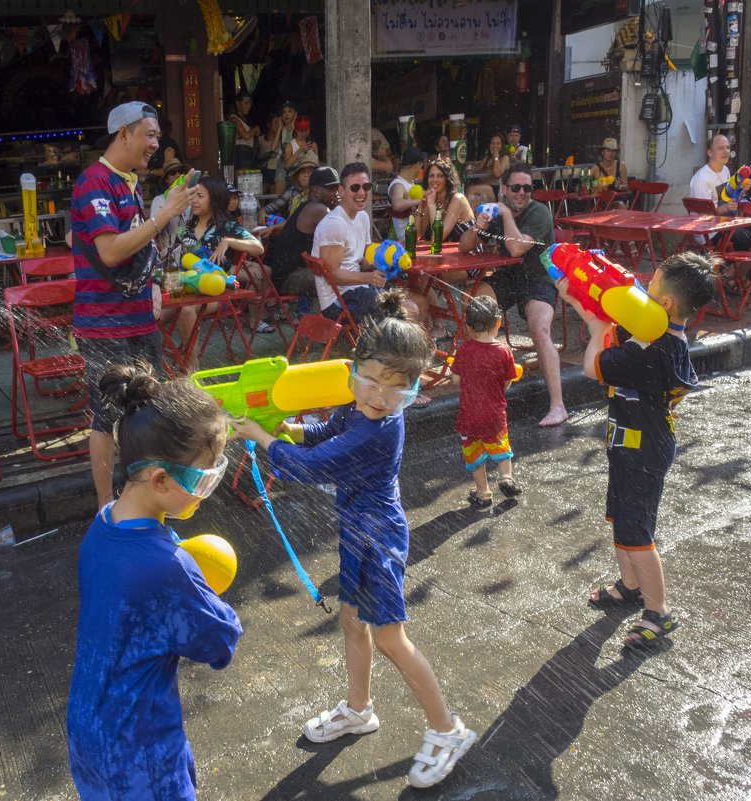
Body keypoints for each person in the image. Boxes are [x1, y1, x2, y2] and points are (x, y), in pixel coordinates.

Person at [231, 289, 476, 789]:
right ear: (354, 371)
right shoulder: (357, 409)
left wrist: (263, 437)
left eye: (395, 389)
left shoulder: (378, 430)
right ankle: (360, 709)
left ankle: (447, 729)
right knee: (350, 619)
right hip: (358, 530)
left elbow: (313, 466)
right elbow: (322, 434)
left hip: (380, 537)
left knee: (390, 636)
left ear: (410, 393)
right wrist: (283, 426)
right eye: (369, 380)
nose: (378, 395)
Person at [67, 360, 242, 801]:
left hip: (91, 729)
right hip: (141, 753)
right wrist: (201, 585)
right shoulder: (170, 568)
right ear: (161, 478)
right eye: (206, 474)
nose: (210, 485)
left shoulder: (105, 523)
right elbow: (220, 642)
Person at [557, 251, 717, 646]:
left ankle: (658, 612)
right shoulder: (657, 334)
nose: (640, 292)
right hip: (629, 441)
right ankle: (630, 587)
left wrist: (595, 329)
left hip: (644, 448)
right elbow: (613, 317)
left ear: (665, 304)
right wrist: (579, 298)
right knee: (621, 519)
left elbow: (593, 368)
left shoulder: (652, 351)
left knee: (637, 531)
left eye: (649, 287)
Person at [71, 101, 195, 509]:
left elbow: (139, 249)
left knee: (149, 409)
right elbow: (109, 251)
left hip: (139, 317)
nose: (156, 145)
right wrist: (166, 214)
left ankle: (143, 496)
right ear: (123, 133)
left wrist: (154, 284)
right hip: (104, 324)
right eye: (150, 134)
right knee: (107, 418)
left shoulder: (129, 183)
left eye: (158, 136)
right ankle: (108, 505)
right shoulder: (94, 182)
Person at [459, 164, 568, 427]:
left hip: (538, 276)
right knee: (471, 303)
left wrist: (506, 214)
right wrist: (478, 226)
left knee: (539, 330)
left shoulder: (539, 212)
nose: (522, 193)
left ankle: (558, 406)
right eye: (516, 188)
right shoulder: (495, 212)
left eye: (527, 188)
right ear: (504, 189)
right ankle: (483, 378)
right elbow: (464, 247)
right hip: (508, 276)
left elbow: (517, 248)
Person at [311, 162, 427, 328]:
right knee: (410, 310)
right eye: (355, 187)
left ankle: (408, 350)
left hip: (359, 287)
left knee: (420, 303)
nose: (361, 192)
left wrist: (388, 255)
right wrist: (369, 277)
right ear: (341, 191)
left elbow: (366, 260)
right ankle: (393, 351)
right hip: (338, 301)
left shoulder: (362, 216)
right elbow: (332, 276)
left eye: (366, 186)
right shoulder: (334, 224)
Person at [449, 295, 521, 508]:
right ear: (498, 323)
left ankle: (483, 492)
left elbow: (456, 380)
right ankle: (506, 477)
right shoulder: (504, 352)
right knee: (501, 445)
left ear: (468, 327)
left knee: (474, 453)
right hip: (495, 415)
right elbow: (507, 383)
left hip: (469, 417)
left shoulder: (463, 351)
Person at [177, 175, 266, 332]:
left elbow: (258, 247)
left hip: (216, 291)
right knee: (156, 309)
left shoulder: (228, 227)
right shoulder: (185, 229)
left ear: (214, 199)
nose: (194, 201)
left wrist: (229, 241)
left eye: (200, 196)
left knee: (187, 309)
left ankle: (190, 357)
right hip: (186, 286)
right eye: (193, 196)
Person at [689, 133, 751, 291]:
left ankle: (734, 275)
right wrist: (726, 208)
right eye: (720, 148)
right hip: (711, 232)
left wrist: (742, 190)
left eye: (728, 147)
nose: (725, 151)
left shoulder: (725, 171)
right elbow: (704, 216)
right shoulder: (702, 179)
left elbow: (731, 199)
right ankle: (735, 276)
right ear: (709, 152)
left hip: (727, 225)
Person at [263, 166, 340, 311]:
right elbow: (343, 231)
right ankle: (326, 324)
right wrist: (341, 207)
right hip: (288, 278)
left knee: (336, 275)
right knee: (336, 280)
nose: (336, 194)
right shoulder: (319, 209)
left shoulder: (313, 206)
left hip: (289, 273)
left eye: (337, 188)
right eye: (331, 189)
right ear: (316, 191)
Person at [260, 150, 318, 230]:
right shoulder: (293, 192)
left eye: (310, 171)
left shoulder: (321, 195)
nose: (306, 174)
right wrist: (262, 211)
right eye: (303, 172)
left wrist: (274, 228)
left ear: (317, 175)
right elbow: (275, 205)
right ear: (298, 177)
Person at [387, 147, 427, 240]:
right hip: (406, 239)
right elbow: (397, 205)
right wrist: (419, 201)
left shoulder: (410, 183)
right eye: (421, 164)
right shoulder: (398, 185)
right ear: (417, 164)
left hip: (416, 233)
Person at [270, 100, 298, 195]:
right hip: (282, 165)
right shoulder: (282, 130)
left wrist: (294, 124)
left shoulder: (299, 130)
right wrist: (279, 129)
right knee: (278, 197)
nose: (286, 114)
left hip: (295, 164)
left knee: (295, 196)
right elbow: (273, 148)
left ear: (295, 113)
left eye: (290, 111)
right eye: (284, 112)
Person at [591, 137, 628, 209]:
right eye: (608, 150)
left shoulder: (621, 166)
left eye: (613, 151)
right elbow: (579, 187)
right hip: (601, 203)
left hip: (617, 200)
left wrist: (619, 186)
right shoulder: (596, 168)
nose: (611, 153)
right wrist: (596, 185)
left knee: (620, 205)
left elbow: (626, 188)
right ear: (602, 152)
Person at [229, 92, 261, 171]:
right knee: (243, 181)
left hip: (247, 153)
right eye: (246, 104)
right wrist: (255, 129)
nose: (249, 107)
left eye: (250, 104)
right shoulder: (234, 119)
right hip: (241, 153)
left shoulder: (244, 119)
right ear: (238, 103)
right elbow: (246, 136)